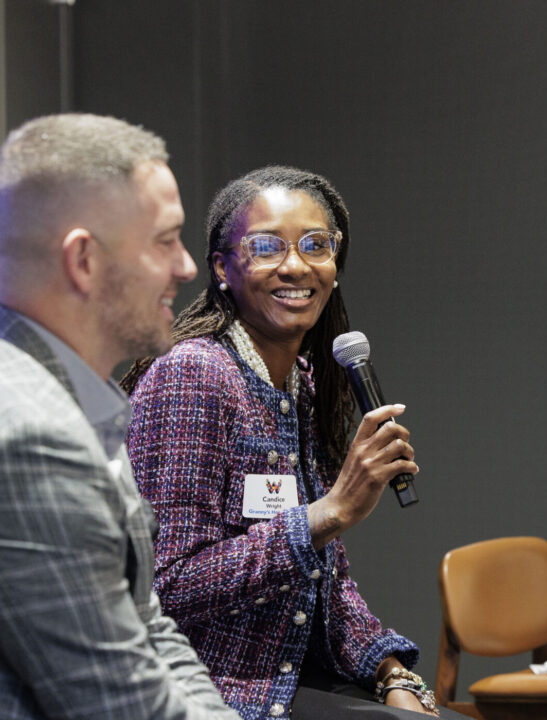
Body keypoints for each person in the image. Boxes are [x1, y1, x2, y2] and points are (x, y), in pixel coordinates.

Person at [122, 166, 467, 720]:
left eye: (316, 245)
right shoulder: (193, 375)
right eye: (266, 247)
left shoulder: (302, 383)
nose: (296, 265)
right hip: (212, 694)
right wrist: (326, 514)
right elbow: (166, 585)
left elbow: (326, 581)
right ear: (223, 268)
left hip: (294, 682)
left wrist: (390, 672)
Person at [0, 113, 241, 720]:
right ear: (83, 260)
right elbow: (118, 704)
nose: (187, 267)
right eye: (165, 240)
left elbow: (146, 618)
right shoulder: (31, 436)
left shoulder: (80, 399)